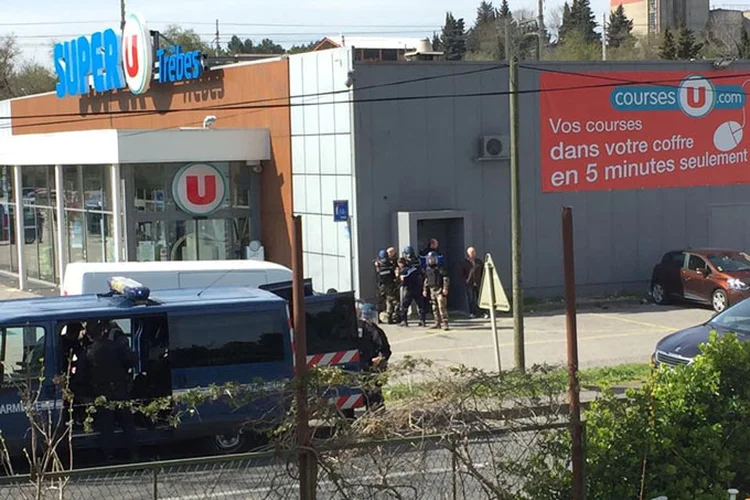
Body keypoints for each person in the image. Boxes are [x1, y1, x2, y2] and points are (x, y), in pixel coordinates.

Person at [85, 320, 138, 461]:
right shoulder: (116, 347)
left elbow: (83, 376)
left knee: (106, 424)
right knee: (127, 422)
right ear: (103, 331)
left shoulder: (90, 352)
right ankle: (134, 454)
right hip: (120, 388)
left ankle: (109, 456)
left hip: (102, 392)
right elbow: (132, 360)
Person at [358, 304, 392, 409]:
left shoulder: (355, 328)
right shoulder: (374, 330)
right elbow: (384, 348)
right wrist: (381, 358)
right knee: (374, 394)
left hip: (360, 365)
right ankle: (376, 415)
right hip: (371, 366)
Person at [423, 251, 450, 330]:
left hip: (439, 290)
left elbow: (445, 279)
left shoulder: (440, 268)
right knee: (434, 307)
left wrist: (445, 288)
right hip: (432, 290)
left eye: (432, 259)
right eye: (430, 259)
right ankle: (437, 323)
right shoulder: (428, 269)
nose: (431, 260)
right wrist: (424, 290)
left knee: (442, 306)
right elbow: (426, 280)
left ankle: (445, 323)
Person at [397, 257, 426, 327]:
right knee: (420, 305)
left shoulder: (405, 270)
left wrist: (398, 276)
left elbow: (403, 281)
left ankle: (404, 321)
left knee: (405, 305)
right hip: (418, 288)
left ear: (401, 263)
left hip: (409, 289)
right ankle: (422, 320)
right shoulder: (417, 268)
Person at [375, 249, 399, 324]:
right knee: (391, 301)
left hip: (382, 286)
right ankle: (391, 318)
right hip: (389, 285)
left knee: (381, 302)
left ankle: (378, 318)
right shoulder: (390, 263)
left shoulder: (378, 264)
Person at [462, 246, 485, 319]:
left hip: (478, 283)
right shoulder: (465, 262)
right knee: (471, 299)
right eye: (471, 252)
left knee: (480, 298)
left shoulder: (479, 262)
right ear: (468, 253)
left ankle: (482, 313)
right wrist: (466, 280)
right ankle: (472, 313)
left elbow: (483, 271)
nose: (473, 253)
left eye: (474, 252)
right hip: (470, 283)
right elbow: (462, 272)